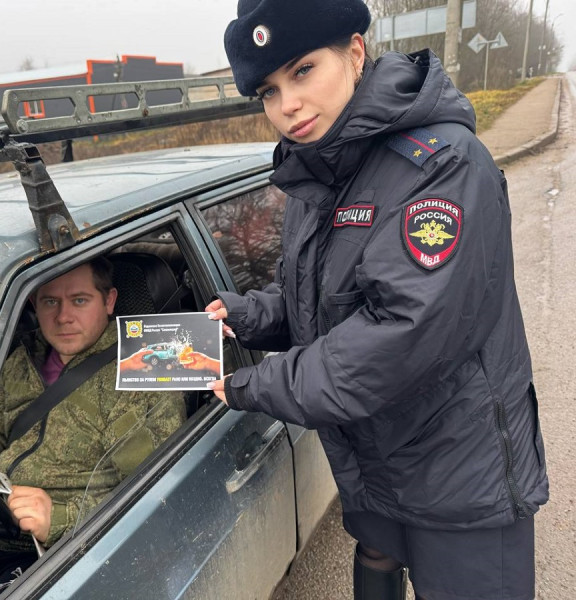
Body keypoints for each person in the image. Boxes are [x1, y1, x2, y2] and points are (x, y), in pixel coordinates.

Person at [207, 1, 548, 599]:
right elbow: (320, 297)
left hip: (459, 470)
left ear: (355, 52)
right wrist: (246, 317)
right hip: (376, 460)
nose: (288, 105)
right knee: (377, 570)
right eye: (268, 91)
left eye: (303, 70)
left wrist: (256, 385)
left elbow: (404, 333)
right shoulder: (317, 174)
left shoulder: (440, 165)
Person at [0, 258, 186, 599]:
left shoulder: (145, 370)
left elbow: (157, 492)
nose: (63, 316)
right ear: (33, 303)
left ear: (109, 301)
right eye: (50, 301)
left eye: (79, 300)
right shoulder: (20, 359)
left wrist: (61, 518)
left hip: (65, 553)